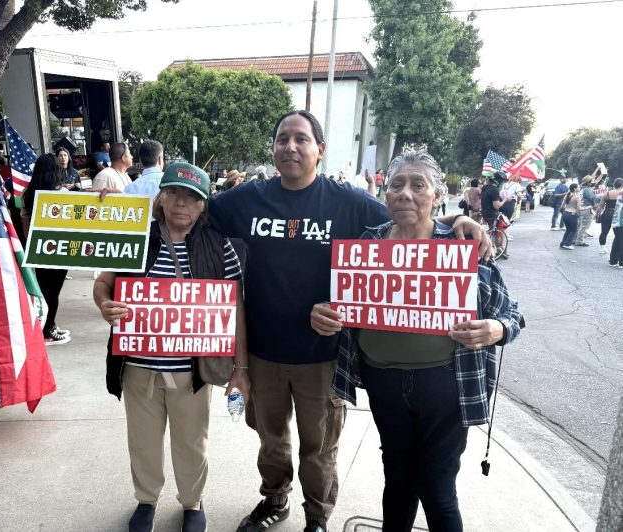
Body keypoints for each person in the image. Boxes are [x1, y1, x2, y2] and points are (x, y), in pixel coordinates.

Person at [209, 110, 489, 532]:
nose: (290, 146)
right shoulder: (246, 199)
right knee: (271, 441)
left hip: (324, 357)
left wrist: (456, 221)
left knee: (319, 446)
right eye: (282, 138)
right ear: (273, 147)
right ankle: (274, 499)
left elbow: (407, 214)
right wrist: (151, 205)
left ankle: (317, 516)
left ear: (320, 150)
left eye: (301, 139)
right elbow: (192, 211)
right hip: (263, 353)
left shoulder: (349, 202)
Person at [310, 149, 523, 532]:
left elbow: (513, 315)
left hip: (444, 385)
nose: (405, 193)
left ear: (437, 196)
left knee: (437, 487)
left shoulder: (462, 249)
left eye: (418, 185)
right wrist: (325, 314)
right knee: (397, 477)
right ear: (385, 194)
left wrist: (497, 330)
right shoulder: (367, 244)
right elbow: (345, 305)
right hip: (383, 383)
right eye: (396, 185)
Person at [93, 162, 249, 532]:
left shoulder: (218, 246)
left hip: (191, 370)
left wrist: (240, 370)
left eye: (192, 197)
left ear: (203, 206)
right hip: (138, 366)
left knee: (192, 442)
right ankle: (146, 500)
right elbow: (104, 283)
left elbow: (236, 308)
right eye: (174, 193)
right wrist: (104, 304)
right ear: (161, 198)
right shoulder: (135, 238)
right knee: (143, 440)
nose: (182, 203)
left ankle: (192, 502)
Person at [21, 154, 71, 345]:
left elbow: (24, 219)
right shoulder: (62, 195)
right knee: (53, 292)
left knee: (42, 290)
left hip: (38, 249)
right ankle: (48, 329)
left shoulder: (28, 193)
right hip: (60, 249)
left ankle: (44, 326)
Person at [481, 176, 507, 259]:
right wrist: (504, 200)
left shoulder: (484, 189)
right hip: (493, 214)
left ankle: (499, 249)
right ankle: (499, 250)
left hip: (485, 213)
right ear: (498, 182)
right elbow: (496, 205)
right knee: (498, 233)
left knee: (499, 229)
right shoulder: (494, 190)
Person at [573, 174, 600, 247]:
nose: (593, 182)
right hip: (587, 209)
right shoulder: (587, 189)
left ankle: (575, 239)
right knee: (584, 226)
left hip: (582, 208)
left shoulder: (582, 188)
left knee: (580, 225)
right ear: (588, 182)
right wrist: (601, 197)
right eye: (592, 180)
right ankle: (579, 241)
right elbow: (593, 198)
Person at [598, 178, 623, 254]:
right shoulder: (621, 193)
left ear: (613, 184)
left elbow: (601, 205)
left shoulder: (607, 193)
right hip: (618, 214)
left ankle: (602, 248)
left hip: (607, 213)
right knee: (618, 235)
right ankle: (617, 250)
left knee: (604, 232)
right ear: (622, 185)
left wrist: (596, 213)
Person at [560, 183, 581, 250]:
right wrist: (579, 213)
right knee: (573, 230)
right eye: (578, 187)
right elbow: (578, 208)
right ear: (575, 189)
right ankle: (567, 244)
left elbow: (562, 206)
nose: (579, 188)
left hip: (565, 213)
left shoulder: (567, 195)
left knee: (568, 230)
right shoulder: (577, 197)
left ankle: (563, 243)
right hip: (572, 214)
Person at [608, 186, 623, 268]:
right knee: (620, 240)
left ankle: (613, 261)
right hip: (621, 220)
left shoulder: (621, 192)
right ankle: (621, 262)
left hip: (618, 220)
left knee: (618, 240)